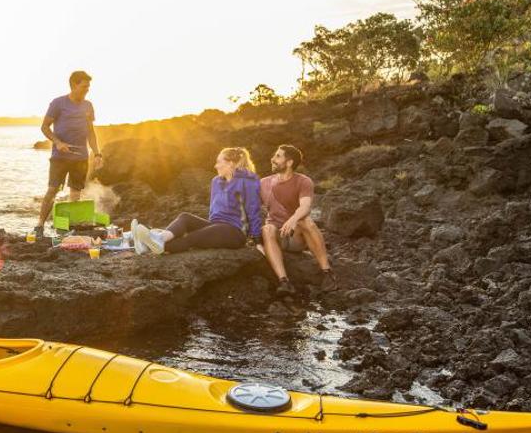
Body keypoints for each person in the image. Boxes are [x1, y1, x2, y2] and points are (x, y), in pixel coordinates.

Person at [132, 147, 263, 254]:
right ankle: (156, 241)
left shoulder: (248, 181)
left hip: (234, 233)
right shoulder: (216, 181)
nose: (215, 166)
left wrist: (257, 242)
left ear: (230, 163)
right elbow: (214, 213)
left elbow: (254, 212)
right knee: (185, 217)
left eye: (219, 162)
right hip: (214, 227)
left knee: (191, 238)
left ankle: (151, 243)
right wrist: (207, 230)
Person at [258, 144, 334, 295]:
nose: (273, 159)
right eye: (274, 156)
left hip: (295, 237)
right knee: (266, 228)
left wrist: (293, 219)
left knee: (305, 221)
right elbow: (250, 209)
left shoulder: (303, 181)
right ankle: (284, 282)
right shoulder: (263, 183)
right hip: (275, 237)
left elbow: (305, 206)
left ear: (289, 162)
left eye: (278, 156)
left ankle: (328, 274)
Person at [35, 70, 102, 237]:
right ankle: (39, 226)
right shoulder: (58, 103)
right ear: (74, 85)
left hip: (81, 158)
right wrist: (58, 143)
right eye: (84, 86)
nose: (87, 89)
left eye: (88, 86)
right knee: (52, 190)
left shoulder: (88, 106)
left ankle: (70, 228)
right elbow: (44, 127)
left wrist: (97, 153)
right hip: (60, 157)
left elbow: (91, 132)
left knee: (76, 194)